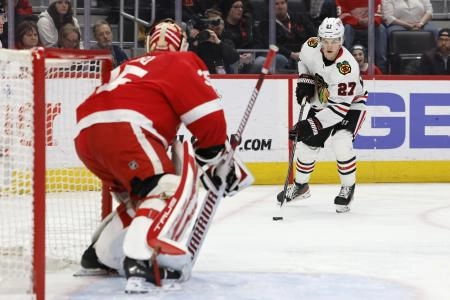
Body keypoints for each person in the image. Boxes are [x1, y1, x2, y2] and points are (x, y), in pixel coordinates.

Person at [74, 19, 250, 293]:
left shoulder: (128, 66)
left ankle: (97, 255)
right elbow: (207, 116)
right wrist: (213, 154)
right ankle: (139, 259)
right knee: (170, 188)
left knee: (144, 197)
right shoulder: (181, 61)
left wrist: (211, 156)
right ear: (181, 45)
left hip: (86, 133)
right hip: (127, 126)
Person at [277, 17, 367, 213]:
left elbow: (338, 110)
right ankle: (301, 186)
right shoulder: (311, 46)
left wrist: (309, 125)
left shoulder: (347, 67)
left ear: (341, 40)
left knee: (341, 142)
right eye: (325, 40)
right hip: (323, 99)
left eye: (334, 40)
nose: (329, 45)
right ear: (319, 39)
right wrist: (305, 80)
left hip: (350, 105)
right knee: (307, 144)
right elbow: (304, 62)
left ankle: (348, 187)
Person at [256, 0, 317, 73]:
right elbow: (271, 45)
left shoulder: (300, 18)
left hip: (303, 52)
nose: (280, 7)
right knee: (280, 59)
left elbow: (314, 35)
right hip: (283, 55)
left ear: (287, 4)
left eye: (282, 3)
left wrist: (306, 46)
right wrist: (291, 54)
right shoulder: (265, 24)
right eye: (276, 4)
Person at [336, 0, 388, 73]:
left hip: (370, 26)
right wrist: (358, 21)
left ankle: (381, 67)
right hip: (352, 26)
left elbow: (379, 15)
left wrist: (369, 20)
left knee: (381, 28)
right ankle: (346, 64)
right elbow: (342, 15)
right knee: (347, 28)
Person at [191, 8, 239, 74]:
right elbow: (189, 59)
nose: (218, 26)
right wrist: (195, 40)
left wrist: (218, 42)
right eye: (211, 23)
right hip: (201, 76)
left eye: (218, 23)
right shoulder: (199, 40)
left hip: (221, 78)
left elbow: (234, 58)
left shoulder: (226, 41)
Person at [221, 0, 264, 73]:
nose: (240, 9)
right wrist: (239, 57)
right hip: (233, 60)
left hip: (251, 59)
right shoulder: (222, 27)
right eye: (236, 7)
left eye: (241, 7)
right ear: (228, 9)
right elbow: (225, 48)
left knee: (262, 61)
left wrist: (252, 54)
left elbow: (259, 43)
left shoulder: (248, 24)